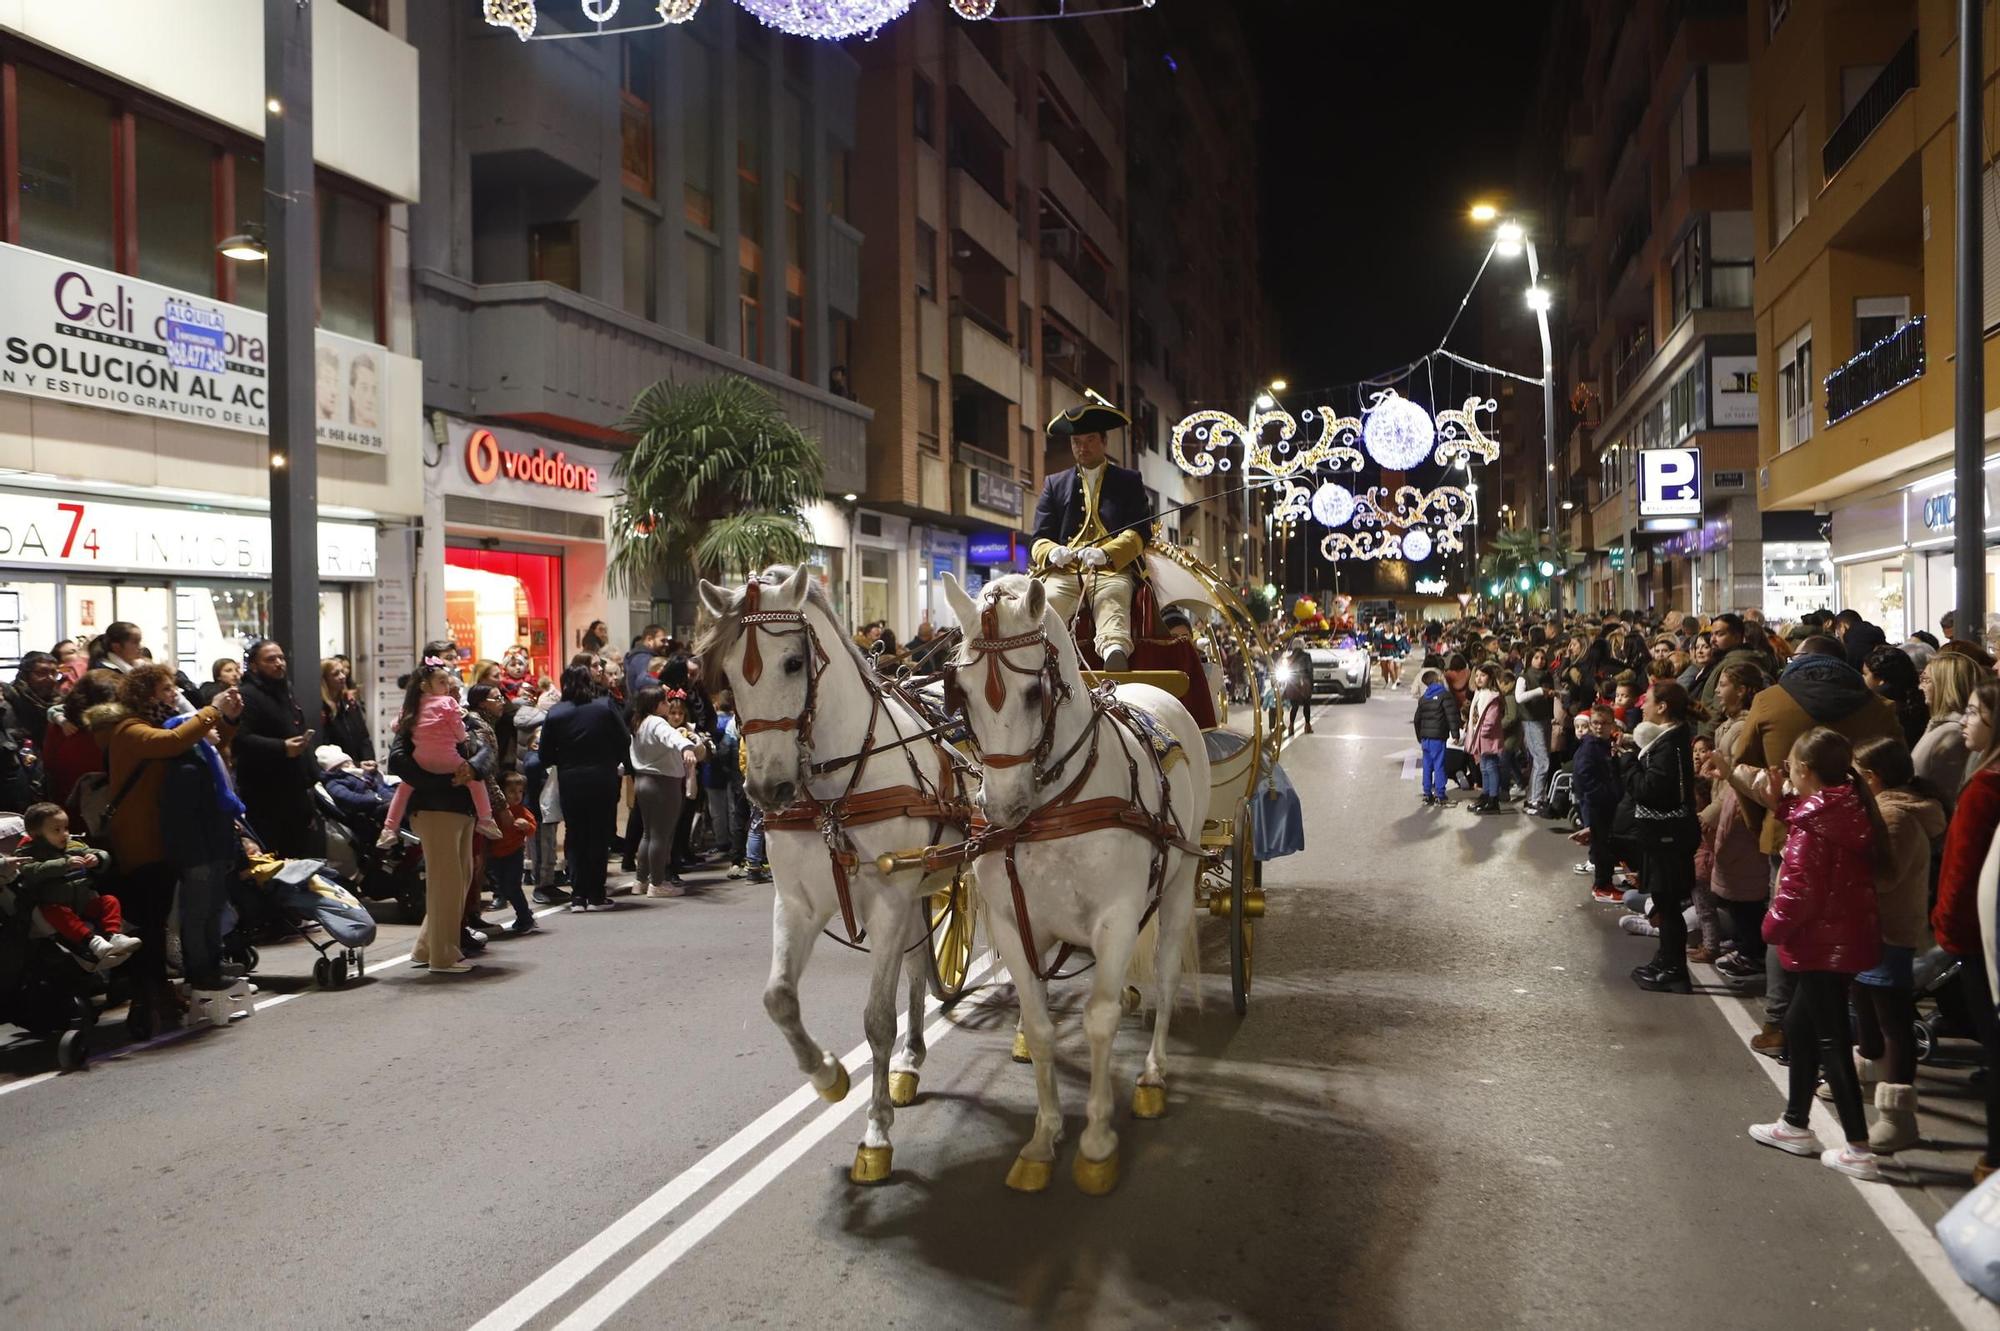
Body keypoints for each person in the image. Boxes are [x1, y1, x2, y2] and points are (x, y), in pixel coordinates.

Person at [1731, 633, 1901, 1058]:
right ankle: (1840, 1026)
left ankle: (1778, 1024)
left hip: (1789, 828)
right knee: (1844, 924)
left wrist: (1763, 822)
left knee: (1787, 922)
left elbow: (1742, 756)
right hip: (1860, 826)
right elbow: (1897, 761)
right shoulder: (1878, 707)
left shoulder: (1771, 700)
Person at [1744, 727, 1888, 1182]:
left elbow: (1796, 892)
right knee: (1799, 1029)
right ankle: (1794, 1123)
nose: (1785, 771)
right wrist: (1781, 801)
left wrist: (1769, 928)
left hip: (1821, 945)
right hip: (1842, 940)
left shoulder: (1814, 826)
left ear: (1803, 770)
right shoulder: (1845, 808)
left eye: (1789, 765)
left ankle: (1859, 1148)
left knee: (1830, 1043)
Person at [96, 665, 241, 1029]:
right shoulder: (130, 730)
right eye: (164, 689)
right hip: (140, 841)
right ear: (145, 695)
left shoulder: (162, 723)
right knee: (151, 922)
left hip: (166, 836)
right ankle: (151, 996)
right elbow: (175, 743)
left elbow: (204, 744)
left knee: (166, 919)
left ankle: (161, 993)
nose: (172, 694)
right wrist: (210, 709)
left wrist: (229, 720)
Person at [1851, 736, 1945, 1154]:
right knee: (1867, 1009)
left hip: (1889, 930)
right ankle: (1868, 1079)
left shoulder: (1895, 817)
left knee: (1893, 1022)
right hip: (1870, 929)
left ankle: (1898, 1116)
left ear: (1872, 777)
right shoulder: (1882, 809)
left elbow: (1885, 878)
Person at [1930, 679, 2000, 1184]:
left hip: (1978, 938)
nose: (1965, 720)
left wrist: (1947, 931)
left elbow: (1961, 872)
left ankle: (1993, 1157)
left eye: (1975, 713)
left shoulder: (1984, 789)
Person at [1030, 399, 1153, 670]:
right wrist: (1051, 551)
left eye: (1089, 440)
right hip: (1064, 571)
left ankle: (1114, 651)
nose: (1082, 448)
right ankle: (1039, 659)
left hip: (1109, 570)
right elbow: (1039, 536)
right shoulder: (1054, 483)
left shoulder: (1128, 480)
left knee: (1114, 596)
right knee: (1047, 602)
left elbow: (1140, 530)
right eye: (1076, 442)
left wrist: (1106, 553)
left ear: (1104, 442)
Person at [1617, 682, 1704, 992]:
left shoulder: (1670, 745)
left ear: (1663, 707)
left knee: (1668, 906)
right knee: (1664, 903)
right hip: (1664, 836)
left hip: (1669, 837)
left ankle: (1674, 969)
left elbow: (1651, 791)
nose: (1643, 706)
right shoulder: (1670, 740)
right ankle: (1666, 959)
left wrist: (1627, 762)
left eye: (1648, 701)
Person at [379, 660, 501, 846]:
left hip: (424, 763)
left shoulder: (412, 709)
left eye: (455, 686)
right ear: (425, 685)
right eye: (444, 684)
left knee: (403, 789)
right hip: (442, 794)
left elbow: (395, 726)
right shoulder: (448, 704)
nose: (453, 691)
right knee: (475, 782)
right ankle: (486, 819)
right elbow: (462, 737)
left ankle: (389, 828)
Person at [538, 663, 629, 911]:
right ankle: (597, 894)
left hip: (571, 778)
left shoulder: (556, 713)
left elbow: (545, 754)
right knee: (599, 835)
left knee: (575, 835)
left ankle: (578, 895)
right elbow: (624, 738)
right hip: (603, 776)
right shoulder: (603, 707)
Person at [12, 802, 137, 970]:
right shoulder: (29, 852)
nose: (64, 834)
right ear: (37, 834)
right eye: (57, 830)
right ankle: (91, 940)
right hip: (58, 905)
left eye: (66, 828)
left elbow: (97, 852)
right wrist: (64, 864)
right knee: (53, 911)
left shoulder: (73, 845)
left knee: (109, 900)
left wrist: (98, 859)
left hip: (84, 903)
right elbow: (29, 870)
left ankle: (113, 935)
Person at [232, 640, 322, 858]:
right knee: (272, 861)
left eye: (281, 658)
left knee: (300, 860)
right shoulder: (246, 695)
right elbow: (240, 740)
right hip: (265, 795)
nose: (279, 663)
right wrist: (281, 748)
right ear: (253, 665)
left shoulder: (285, 691)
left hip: (295, 792)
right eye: (270, 659)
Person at [629, 685, 699, 897]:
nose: (668, 705)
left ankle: (641, 880)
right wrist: (687, 747)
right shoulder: (657, 722)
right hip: (663, 783)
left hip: (642, 780)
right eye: (665, 702)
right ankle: (657, 883)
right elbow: (672, 737)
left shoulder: (638, 723)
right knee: (661, 835)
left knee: (648, 834)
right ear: (655, 705)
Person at [1913, 649, 1984, 812]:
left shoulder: (1953, 732)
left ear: (1945, 684)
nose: (1920, 686)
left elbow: (1948, 793)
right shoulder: (1942, 727)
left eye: (1926, 680)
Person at [1570, 706, 1623, 900]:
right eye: (1596, 723)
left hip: (1606, 802)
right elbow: (1583, 776)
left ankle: (1606, 882)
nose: (1600, 727)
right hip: (1597, 804)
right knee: (1602, 846)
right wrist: (1602, 795)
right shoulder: (1590, 747)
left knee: (1606, 844)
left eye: (1604, 723)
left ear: (1612, 724)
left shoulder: (1605, 745)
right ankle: (1602, 886)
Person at [487, 770, 539, 935]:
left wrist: (526, 826)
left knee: (513, 886)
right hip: (496, 855)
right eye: (511, 792)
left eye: (520, 792)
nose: (517, 796)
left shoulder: (522, 811)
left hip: (514, 853)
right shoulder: (495, 811)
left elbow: (532, 830)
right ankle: (524, 913)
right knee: (504, 888)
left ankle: (525, 918)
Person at [1862, 644, 1927, 749]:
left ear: (1881, 680)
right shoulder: (1922, 703)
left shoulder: (1878, 711)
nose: (1862, 679)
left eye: (1865, 674)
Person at [1515, 646, 1555, 814]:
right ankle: (1535, 799)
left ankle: (1533, 797)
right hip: (1531, 721)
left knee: (1538, 760)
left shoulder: (1547, 676)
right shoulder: (1524, 677)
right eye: (1536, 657)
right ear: (1530, 659)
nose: (1540, 661)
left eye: (1543, 658)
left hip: (1545, 719)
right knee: (1542, 759)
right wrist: (1539, 691)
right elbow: (1519, 697)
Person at [1412, 669, 1458, 807]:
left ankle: (1427, 793)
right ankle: (1440, 794)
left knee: (1427, 765)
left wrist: (1420, 736)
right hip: (1438, 737)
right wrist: (1455, 734)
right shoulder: (1445, 695)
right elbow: (1451, 715)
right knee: (1439, 765)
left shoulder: (1424, 698)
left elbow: (1416, 719)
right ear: (1438, 679)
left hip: (1426, 738)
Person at [319, 658, 374, 764]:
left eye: (342, 672)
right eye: (336, 674)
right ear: (325, 679)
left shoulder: (350, 703)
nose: (342, 677)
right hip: (339, 769)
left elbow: (364, 738)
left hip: (362, 767)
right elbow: (325, 747)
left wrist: (369, 760)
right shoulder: (322, 709)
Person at [6, 651, 60, 751]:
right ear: (25, 675)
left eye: (54, 673)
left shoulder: (59, 704)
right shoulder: (8, 701)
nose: (51, 678)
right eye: (42, 673)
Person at [1281, 638, 1315, 737]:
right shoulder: (1306, 656)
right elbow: (1309, 671)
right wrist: (1311, 684)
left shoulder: (1289, 658)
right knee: (1306, 705)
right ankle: (1307, 726)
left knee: (1294, 706)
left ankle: (1291, 726)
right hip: (1304, 684)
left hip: (1292, 684)